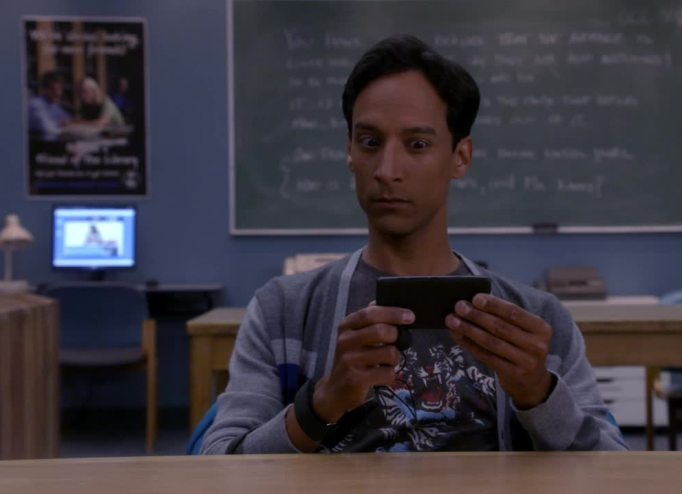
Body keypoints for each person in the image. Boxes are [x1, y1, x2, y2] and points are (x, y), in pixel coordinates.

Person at [202, 34, 628, 454]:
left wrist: (539, 394)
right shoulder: (284, 312)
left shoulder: (535, 322)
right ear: (349, 151)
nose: (387, 170)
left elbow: (614, 468)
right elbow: (221, 466)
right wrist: (320, 404)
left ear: (460, 157)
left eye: (417, 145)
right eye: (370, 142)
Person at [28, 71, 71, 141]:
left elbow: (68, 120)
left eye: (60, 89)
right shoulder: (36, 105)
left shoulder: (54, 106)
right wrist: (59, 123)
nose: (58, 93)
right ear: (44, 89)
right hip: (40, 144)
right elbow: (46, 128)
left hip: (54, 142)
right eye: (53, 89)